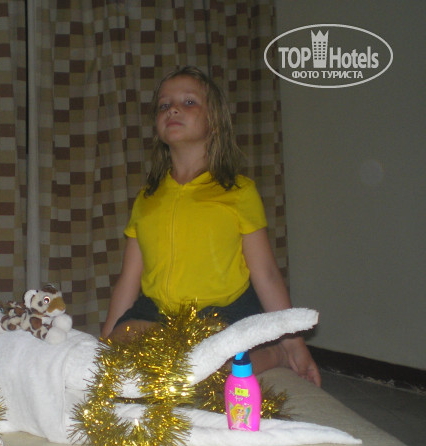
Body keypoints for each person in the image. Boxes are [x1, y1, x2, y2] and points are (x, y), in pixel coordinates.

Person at [100, 66, 321, 386]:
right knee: (123, 349)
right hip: (158, 314)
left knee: (208, 370)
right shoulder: (147, 199)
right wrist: (106, 342)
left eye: (188, 102)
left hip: (224, 312)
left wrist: (293, 343)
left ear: (214, 121)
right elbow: (128, 279)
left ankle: (274, 354)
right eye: (164, 105)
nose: (173, 109)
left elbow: (266, 274)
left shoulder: (238, 191)